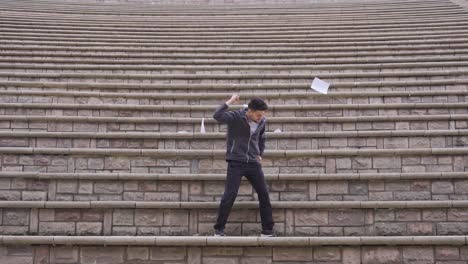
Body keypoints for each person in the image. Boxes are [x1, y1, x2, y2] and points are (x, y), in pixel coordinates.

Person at [212, 94, 275, 237]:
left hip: (253, 162)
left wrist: (260, 153)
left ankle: (268, 230)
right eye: (258, 115)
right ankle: (219, 229)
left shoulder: (262, 121)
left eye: (262, 115)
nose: (260, 118)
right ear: (250, 111)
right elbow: (217, 115)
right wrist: (230, 101)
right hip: (236, 161)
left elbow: (261, 138)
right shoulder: (235, 117)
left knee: (264, 194)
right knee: (230, 194)